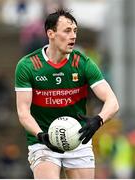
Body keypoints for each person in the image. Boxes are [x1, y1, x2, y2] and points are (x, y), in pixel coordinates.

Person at [15, 9, 119, 179]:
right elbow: (23, 112)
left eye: (75, 31)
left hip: (78, 139)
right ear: (51, 33)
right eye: (67, 31)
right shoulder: (28, 66)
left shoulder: (83, 62)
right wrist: (41, 135)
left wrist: (98, 120)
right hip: (42, 140)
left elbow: (112, 101)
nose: (73, 36)